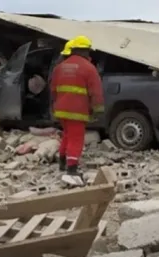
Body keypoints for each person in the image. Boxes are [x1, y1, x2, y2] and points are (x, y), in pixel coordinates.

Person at [50, 35, 104, 186]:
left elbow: (53, 90)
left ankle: (62, 162)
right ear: (86, 51)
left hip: (61, 109)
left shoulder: (59, 67)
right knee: (76, 139)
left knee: (67, 135)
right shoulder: (89, 68)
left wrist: (54, 106)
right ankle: (71, 169)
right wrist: (97, 110)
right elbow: (96, 92)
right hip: (77, 110)